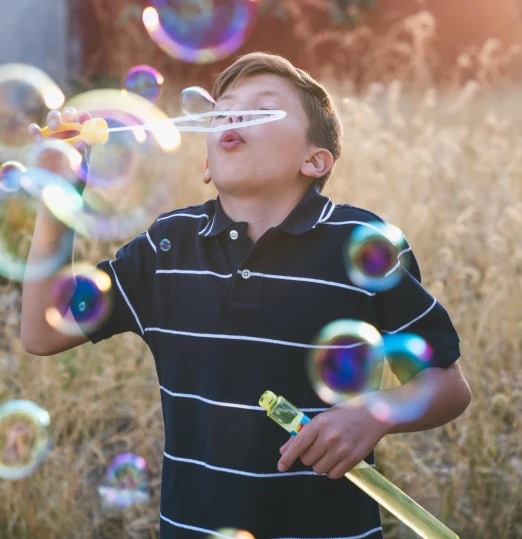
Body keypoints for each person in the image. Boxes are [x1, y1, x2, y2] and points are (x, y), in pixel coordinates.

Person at [21, 52, 472, 539]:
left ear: (314, 159)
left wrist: (375, 413)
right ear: (208, 163)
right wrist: (58, 197)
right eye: (222, 111)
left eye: (263, 107)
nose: (231, 116)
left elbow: (449, 386)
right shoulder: (168, 246)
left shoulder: (362, 242)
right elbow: (45, 329)